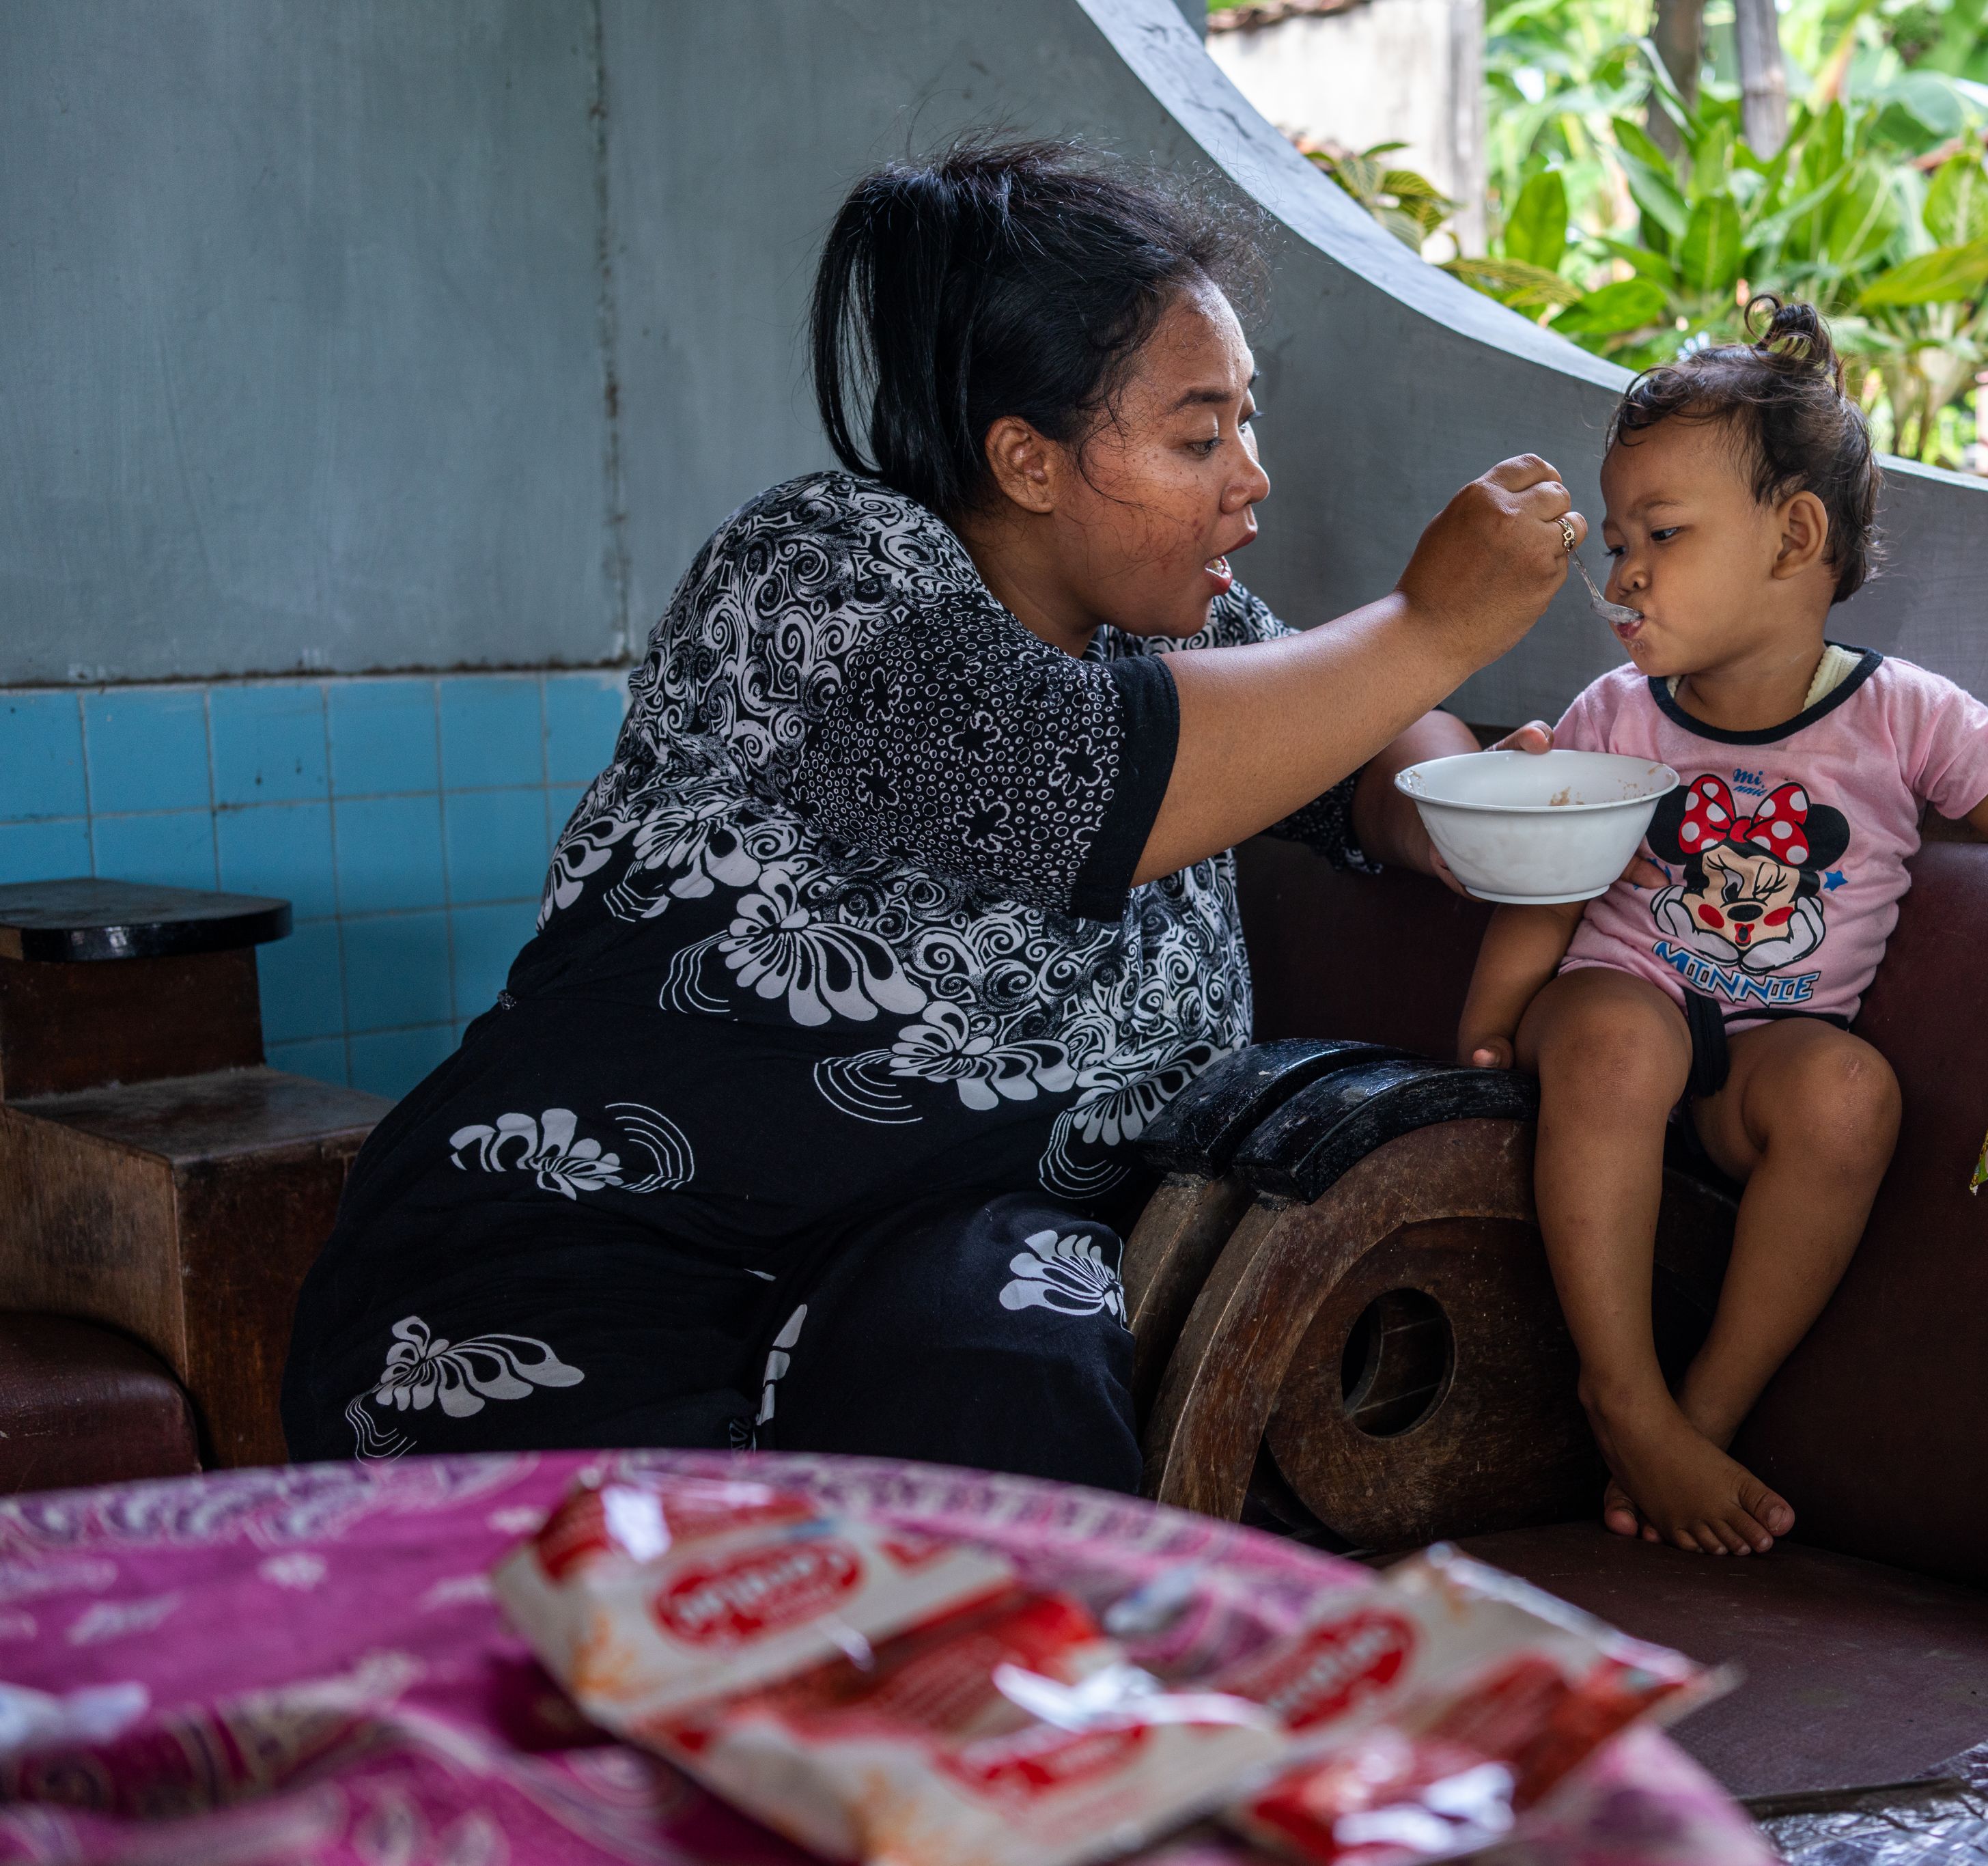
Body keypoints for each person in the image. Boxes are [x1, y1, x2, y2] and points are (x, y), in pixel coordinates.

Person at [281, 140, 1585, 1487]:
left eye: (1247, 421)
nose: (1249, 474)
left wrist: (1447, 801)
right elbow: (1078, 784)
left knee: (1011, 1392)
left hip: (925, 1281)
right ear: (1027, 460)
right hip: (611, 1266)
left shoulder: (1173, 632)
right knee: (624, 1636)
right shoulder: (819, 572)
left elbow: (1352, 733)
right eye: (1198, 434)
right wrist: (1433, 624)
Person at [1455, 301, 1988, 1557]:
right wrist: (1488, 1027)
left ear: (1796, 538)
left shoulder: (1905, 718)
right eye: (1616, 541)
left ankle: (1698, 1421)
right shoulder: (1617, 712)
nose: (1621, 573)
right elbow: (1557, 886)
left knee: (1852, 1097)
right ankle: (1620, 1391)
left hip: (1767, 1055)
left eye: (1662, 536)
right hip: (1615, 1018)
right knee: (1625, 1039)